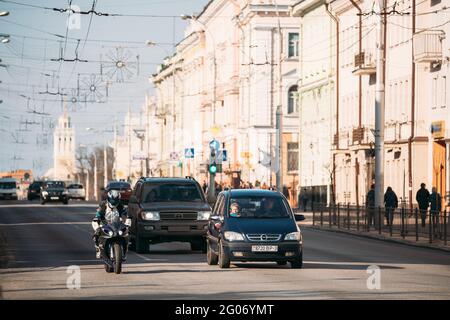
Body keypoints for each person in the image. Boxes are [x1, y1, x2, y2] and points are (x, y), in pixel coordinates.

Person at [91, 190, 130, 258]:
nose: (114, 202)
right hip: (105, 224)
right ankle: (98, 248)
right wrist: (97, 218)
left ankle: (125, 250)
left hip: (117, 225)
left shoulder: (121, 206)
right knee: (96, 229)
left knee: (127, 234)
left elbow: (126, 215)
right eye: (112, 200)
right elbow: (98, 213)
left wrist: (127, 223)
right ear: (108, 198)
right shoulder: (103, 205)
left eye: (116, 200)